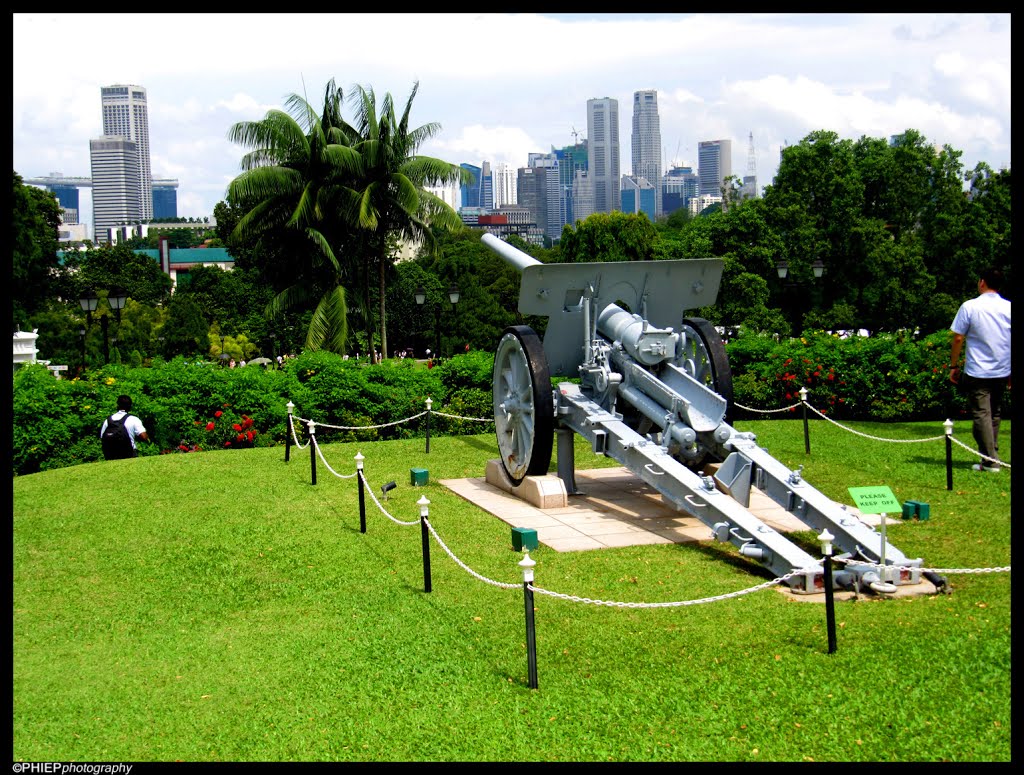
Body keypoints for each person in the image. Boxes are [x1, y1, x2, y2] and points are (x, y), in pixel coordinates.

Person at [949, 266, 1011, 472]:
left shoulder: (970, 306)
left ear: (982, 282)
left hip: (978, 369)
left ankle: (991, 460)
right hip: (1002, 368)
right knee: (994, 413)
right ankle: (989, 457)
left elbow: (958, 337)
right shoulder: (1009, 307)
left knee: (982, 414)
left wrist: (953, 365)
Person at [99, 394, 151, 459]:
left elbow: (102, 437)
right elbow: (144, 437)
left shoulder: (108, 420)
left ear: (117, 405)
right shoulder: (133, 419)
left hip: (111, 455)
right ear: (130, 406)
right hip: (129, 454)